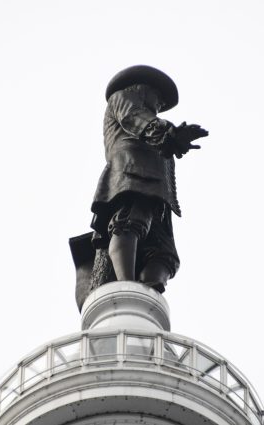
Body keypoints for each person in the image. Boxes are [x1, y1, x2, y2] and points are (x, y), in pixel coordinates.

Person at [89, 65, 208, 294]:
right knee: (129, 224)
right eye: (158, 98)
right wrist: (170, 135)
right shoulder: (123, 99)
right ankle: (127, 285)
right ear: (141, 89)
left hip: (157, 190)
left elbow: (164, 134)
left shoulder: (157, 121)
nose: (159, 105)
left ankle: (148, 289)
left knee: (166, 255)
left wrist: (176, 136)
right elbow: (137, 120)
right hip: (132, 173)